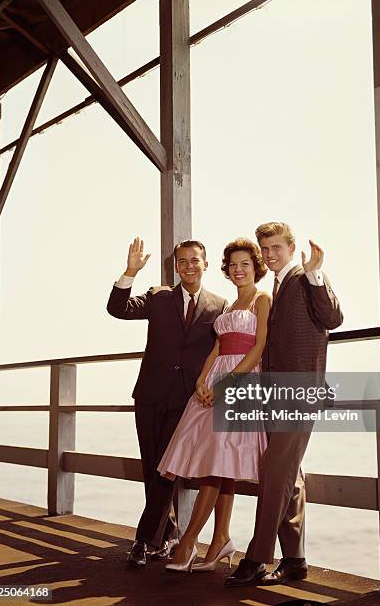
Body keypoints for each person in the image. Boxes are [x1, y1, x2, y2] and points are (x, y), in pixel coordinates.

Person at [225, 222, 343, 587]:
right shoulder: (273, 289)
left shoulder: (304, 279)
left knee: (274, 471)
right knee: (287, 477)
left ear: (291, 248)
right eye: (265, 249)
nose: (270, 254)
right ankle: (295, 561)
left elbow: (333, 318)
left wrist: (316, 274)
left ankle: (257, 557)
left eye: (276, 247)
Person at [106, 237, 227, 568]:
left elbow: (224, 351)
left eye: (195, 260)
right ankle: (169, 533)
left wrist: (212, 386)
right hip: (149, 395)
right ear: (176, 266)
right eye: (183, 261)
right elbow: (117, 309)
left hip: (188, 401)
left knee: (165, 469)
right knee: (152, 467)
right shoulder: (159, 297)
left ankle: (143, 541)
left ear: (205, 263)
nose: (189, 265)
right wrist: (130, 272)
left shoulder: (219, 305)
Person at [157, 238, 271, 573]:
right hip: (215, 383)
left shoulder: (263, 299)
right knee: (220, 463)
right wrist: (201, 382)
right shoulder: (228, 305)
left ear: (256, 267)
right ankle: (220, 539)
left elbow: (260, 347)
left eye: (244, 264)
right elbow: (217, 348)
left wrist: (227, 384)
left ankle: (190, 540)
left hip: (240, 382)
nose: (238, 270)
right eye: (233, 265)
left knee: (216, 464)